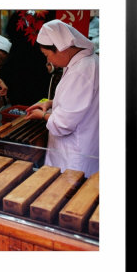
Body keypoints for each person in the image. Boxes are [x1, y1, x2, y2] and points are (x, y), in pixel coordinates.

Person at [25, 19, 99, 177]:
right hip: (86, 144)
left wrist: (43, 115)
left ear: (60, 49)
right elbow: (80, 102)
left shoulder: (80, 71)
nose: (49, 61)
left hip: (73, 156)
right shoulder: (89, 62)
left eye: (47, 55)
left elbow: (63, 124)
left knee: (68, 197)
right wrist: (51, 103)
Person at [0, 10, 55, 106]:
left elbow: (10, 32)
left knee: (20, 104)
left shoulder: (19, 14)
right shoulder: (49, 15)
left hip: (20, 65)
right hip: (37, 65)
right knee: (37, 102)